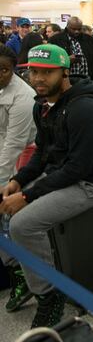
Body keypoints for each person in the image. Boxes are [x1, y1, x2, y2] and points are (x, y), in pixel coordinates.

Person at [0, 44, 93, 328]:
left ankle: (48, 294)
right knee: (4, 205)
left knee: (22, 224)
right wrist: (17, 181)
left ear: (64, 73)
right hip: (65, 175)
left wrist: (27, 195)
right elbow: (42, 153)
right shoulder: (43, 106)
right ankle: (25, 274)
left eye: (47, 72)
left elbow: (79, 168)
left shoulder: (85, 108)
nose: (39, 79)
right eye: (34, 72)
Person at [0, 45, 37, 313]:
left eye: (4, 70)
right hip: (6, 150)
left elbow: (14, 145)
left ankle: (19, 272)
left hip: (26, 154)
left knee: (7, 213)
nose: (0, 74)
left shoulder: (23, 97)